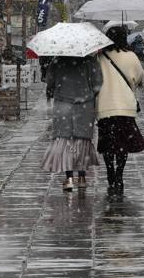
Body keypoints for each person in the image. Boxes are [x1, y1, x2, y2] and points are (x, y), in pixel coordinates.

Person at [96, 26, 144, 195]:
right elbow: (139, 76)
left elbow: (95, 79)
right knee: (123, 144)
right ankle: (119, 174)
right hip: (125, 105)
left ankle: (110, 172)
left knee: (108, 144)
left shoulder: (100, 57)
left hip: (105, 106)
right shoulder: (131, 56)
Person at [40, 53, 102, 191]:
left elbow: (50, 83)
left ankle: (69, 178)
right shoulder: (90, 61)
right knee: (83, 140)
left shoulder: (57, 61)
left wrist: (55, 94)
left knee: (66, 140)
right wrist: (88, 94)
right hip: (85, 105)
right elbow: (97, 83)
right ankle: (82, 177)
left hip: (63, 105)